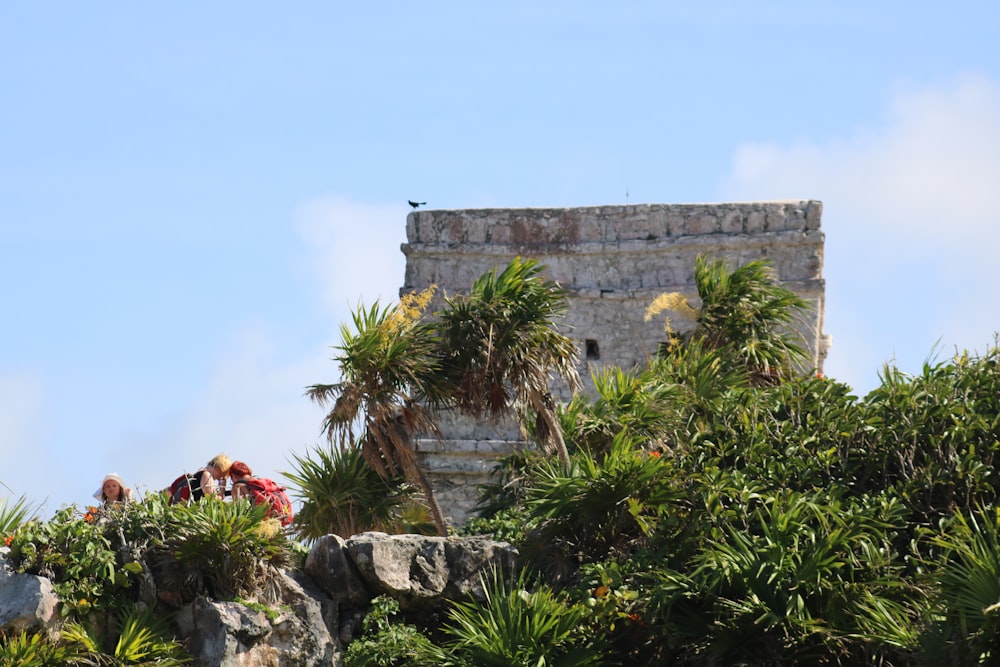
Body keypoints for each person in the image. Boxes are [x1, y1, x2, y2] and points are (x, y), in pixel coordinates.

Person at [168, 453, 232, 504]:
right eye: (221, 475)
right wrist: (222, 491)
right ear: (219, 469)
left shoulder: (199, 473)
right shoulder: (207, 475)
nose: (218, 479)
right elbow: (212, 500)